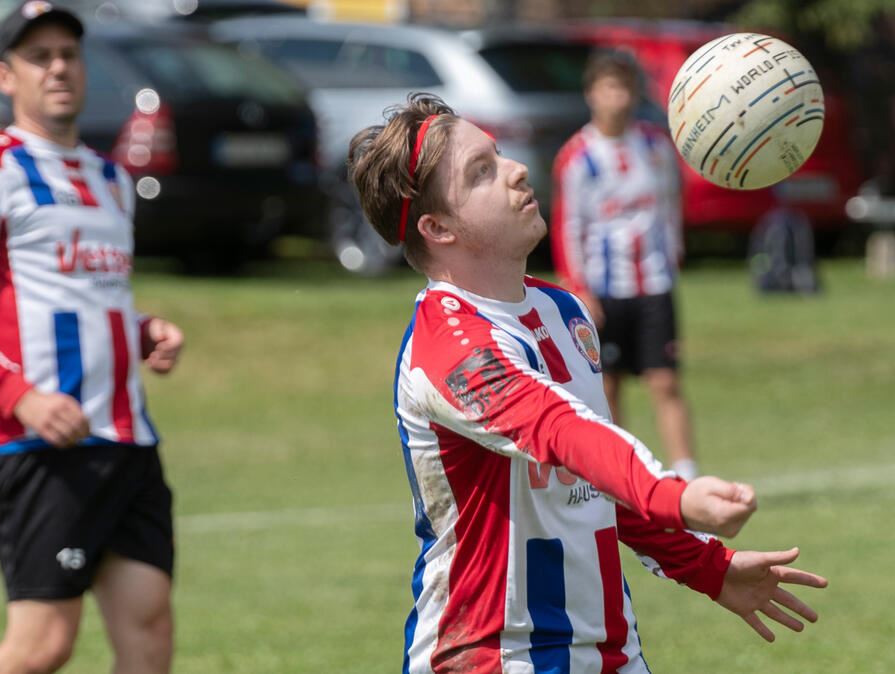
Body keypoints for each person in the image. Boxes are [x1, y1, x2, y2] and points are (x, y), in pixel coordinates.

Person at [347, 93, 826, 673]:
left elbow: (592, 479)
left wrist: (707, 567)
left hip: (609, 653)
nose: (516, 169)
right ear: (438, 227)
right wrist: (673, 496)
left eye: (498, 154)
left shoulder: (563, 312)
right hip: (493, 657)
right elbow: (559, 431)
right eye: (482, 172)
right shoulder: (449, 348)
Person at [0, 4, 182, 673]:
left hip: (127, 438)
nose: (58, 68)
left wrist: (145, 331)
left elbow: (89, 296)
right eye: (39, 56)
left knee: (149, 634)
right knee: (42, 646)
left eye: (68, 53)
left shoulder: (112, 179)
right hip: (38, 443)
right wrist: (20, 397)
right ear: (6, 76)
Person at [551, 51, 699, 481]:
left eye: (624, 88)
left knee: (665, 380)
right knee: (608, 385)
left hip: (654, 282)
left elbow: (670, 205)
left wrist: (674, 254)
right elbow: (567, 225)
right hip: (604, 287)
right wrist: (578, 286)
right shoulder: (578, 157)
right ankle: (621, 478)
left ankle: (687, 474)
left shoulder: (655, 147)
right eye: (608, 88)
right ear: (591, 95)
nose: (617, 98)